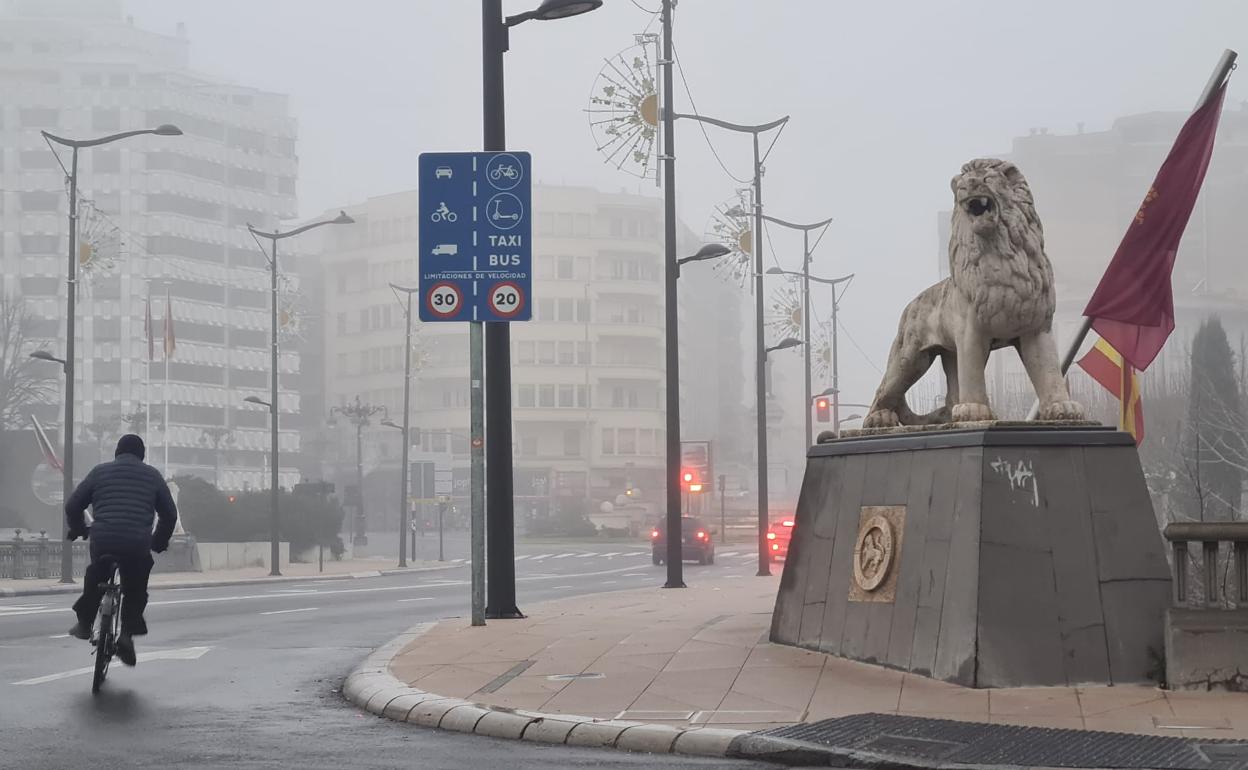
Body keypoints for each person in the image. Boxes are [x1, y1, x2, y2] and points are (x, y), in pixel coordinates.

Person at [65, 434, 178, 667]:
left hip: (103, 539)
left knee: (96, 574)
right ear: (142, 455)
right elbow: (169, 515)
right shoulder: (153, 476)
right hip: (136, 544)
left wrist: (79, 528)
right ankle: (126, 635)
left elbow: (73, 505)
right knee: (135, 589)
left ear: (116, 452)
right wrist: (158, 542)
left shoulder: (100, 472)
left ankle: (85, 622)